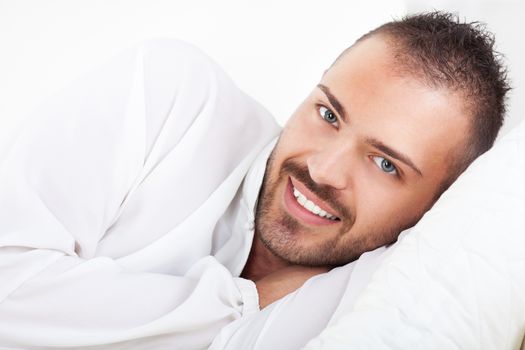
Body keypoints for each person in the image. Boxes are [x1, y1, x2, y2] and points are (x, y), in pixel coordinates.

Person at [0, 11, 509, 350]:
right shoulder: (173, 97)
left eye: (386, 165)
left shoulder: (369, 294)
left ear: (437, 206)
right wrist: (246, 302)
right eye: (329, 115)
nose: (323, 170)